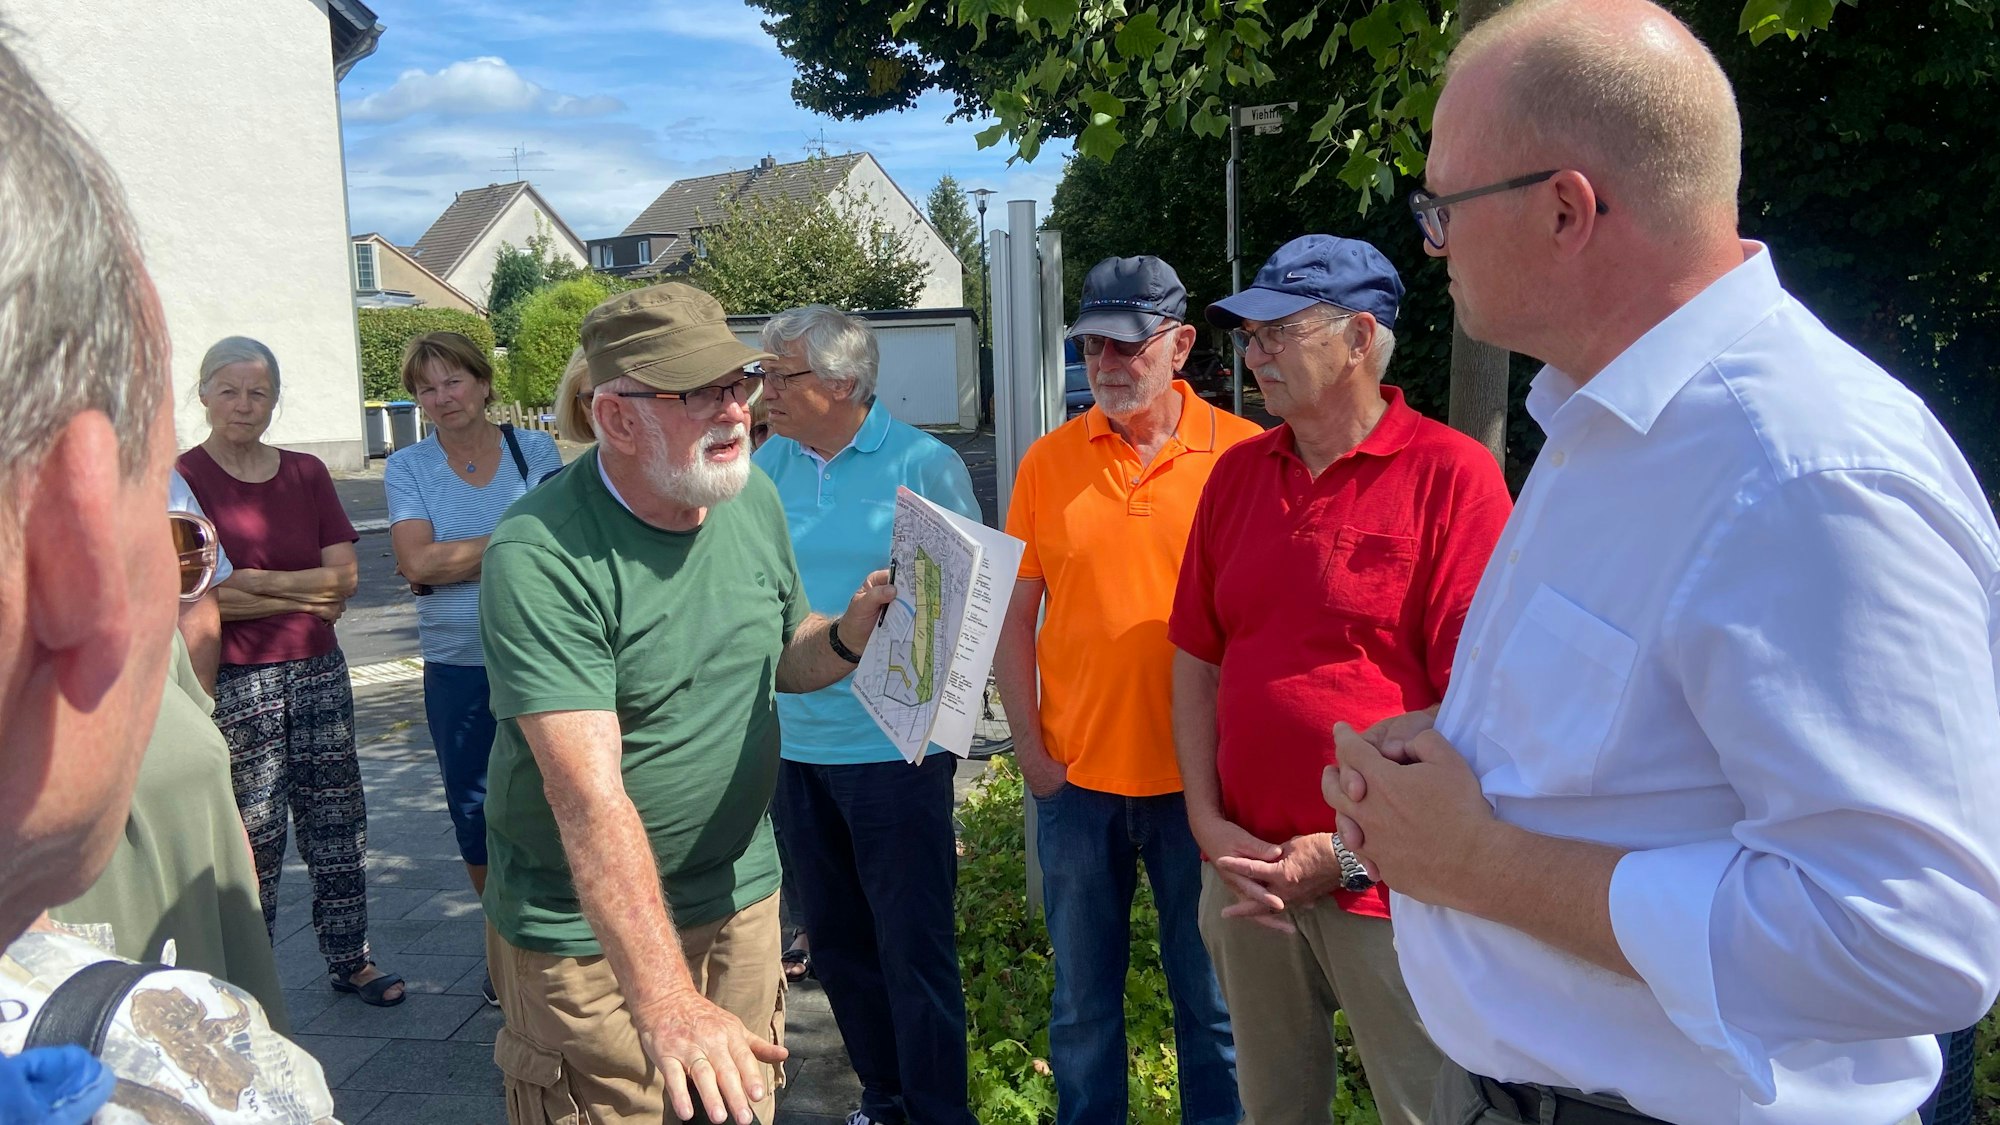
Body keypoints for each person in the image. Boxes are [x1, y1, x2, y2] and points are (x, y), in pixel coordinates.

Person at [1322, 3, 2000, 1123]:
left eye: (1440, 205)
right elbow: (1661, 753)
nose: (1426, 242)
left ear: (1563, 210)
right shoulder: (1613, 425)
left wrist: (1477, 860)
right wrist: (1464, 751)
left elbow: (1910, 937)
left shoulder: (1798, 473)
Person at [0, 37, 333, 1122]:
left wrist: (270, 590)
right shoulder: (145, 1083)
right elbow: (231, 602)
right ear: (82, 549)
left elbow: (325, 585)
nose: (248, 405)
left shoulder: (306, 472)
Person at [478, 283, 898, 1125]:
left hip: (739, 897)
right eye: (698, 391)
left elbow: (783, 652)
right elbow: (587, 797)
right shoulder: (540, 551)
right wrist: (666, 1001)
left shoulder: (747, 497)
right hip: (585, 935)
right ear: (617, 418)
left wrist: (850, 633)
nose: (736, 409)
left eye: (737, 384)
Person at [1169, 234, 1511, 1125]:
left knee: (1434, 1109)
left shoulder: (1455, 478)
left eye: (1279, 331)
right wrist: (1208, 827)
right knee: (1276, 1109)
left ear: (1361, 339)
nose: (1254, 353)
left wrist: (1350, 850)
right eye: (1249, 336)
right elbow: (1196, 660)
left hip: (1394, 884)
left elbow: (1483, 712)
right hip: (1246, 875)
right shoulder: (1237, 476)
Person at [995, 256, 1263, 1125]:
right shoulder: (1047, 463)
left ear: (1180, 345)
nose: (1105, 363)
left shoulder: (1246, 457)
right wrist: (1031, 753)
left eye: (1127, 344)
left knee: (1215, 1008)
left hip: (1208, 792)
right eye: (1090, 344)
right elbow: (1013, 616)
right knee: (1080, 1008)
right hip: (1077, 784)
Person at [752, 304, 981, 1125]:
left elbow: (962, 619)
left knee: (913, 951)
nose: (763, 388)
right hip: (795, 745)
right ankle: (883, 1099)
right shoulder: (765, 465)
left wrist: (939, 747)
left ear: (842, 383)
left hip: (894, 754)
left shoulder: (924, 463)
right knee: (841, 948)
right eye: (764, 373)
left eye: (782, 374)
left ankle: (938, 1109)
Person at [178, 336, 404, 1007]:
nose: (244, 405)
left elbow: (346, 580)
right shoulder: (182, 479)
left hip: (318, 670)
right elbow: (199, 593)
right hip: (237, 678)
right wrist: (294, 587)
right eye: (230, 390)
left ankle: (351, 956)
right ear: (203, 393)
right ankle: (252, 968)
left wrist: (249, 580)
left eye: (259, 392)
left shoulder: (305, 473)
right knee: (255, 828)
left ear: (275, 399)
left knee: (337, 815)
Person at [386, 330, 563, 1003]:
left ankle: (561, 934)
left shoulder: (533, 448)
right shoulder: (407, 468)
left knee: (558, 793)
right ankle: (504, 947)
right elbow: (415, 563)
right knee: (475, 808)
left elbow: (561, 541)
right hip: (458, 662)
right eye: (427, 387)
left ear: (484, 383)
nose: (442, 397)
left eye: (454, 380)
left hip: (542, 651)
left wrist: (452, 557)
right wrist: (518, 538)